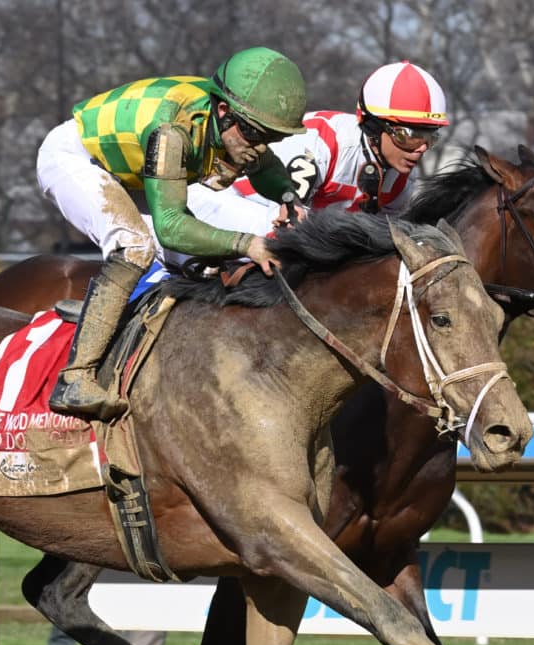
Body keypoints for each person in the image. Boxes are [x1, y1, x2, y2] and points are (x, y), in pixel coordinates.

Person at [36, 46, 308, 421]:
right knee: (135, 247)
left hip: (128, 169)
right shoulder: (173, 132)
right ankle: (75, 377)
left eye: (271, 139)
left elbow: (265, 168)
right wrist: (248, 243)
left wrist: (288, 197)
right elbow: (170, 227)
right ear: (225, 112)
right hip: (76, 157)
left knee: (202, 263)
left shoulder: (232, 124)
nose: (259, 148)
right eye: (254, 135)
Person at [187, 60, 450, 234]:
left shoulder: (402, 181)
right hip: (214, 203)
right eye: (409, 135)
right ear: (373, 125)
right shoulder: (321, 144)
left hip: (268, 220)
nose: (421, 149)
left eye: (430, 137)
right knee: (292, 231)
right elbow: (287, 221)